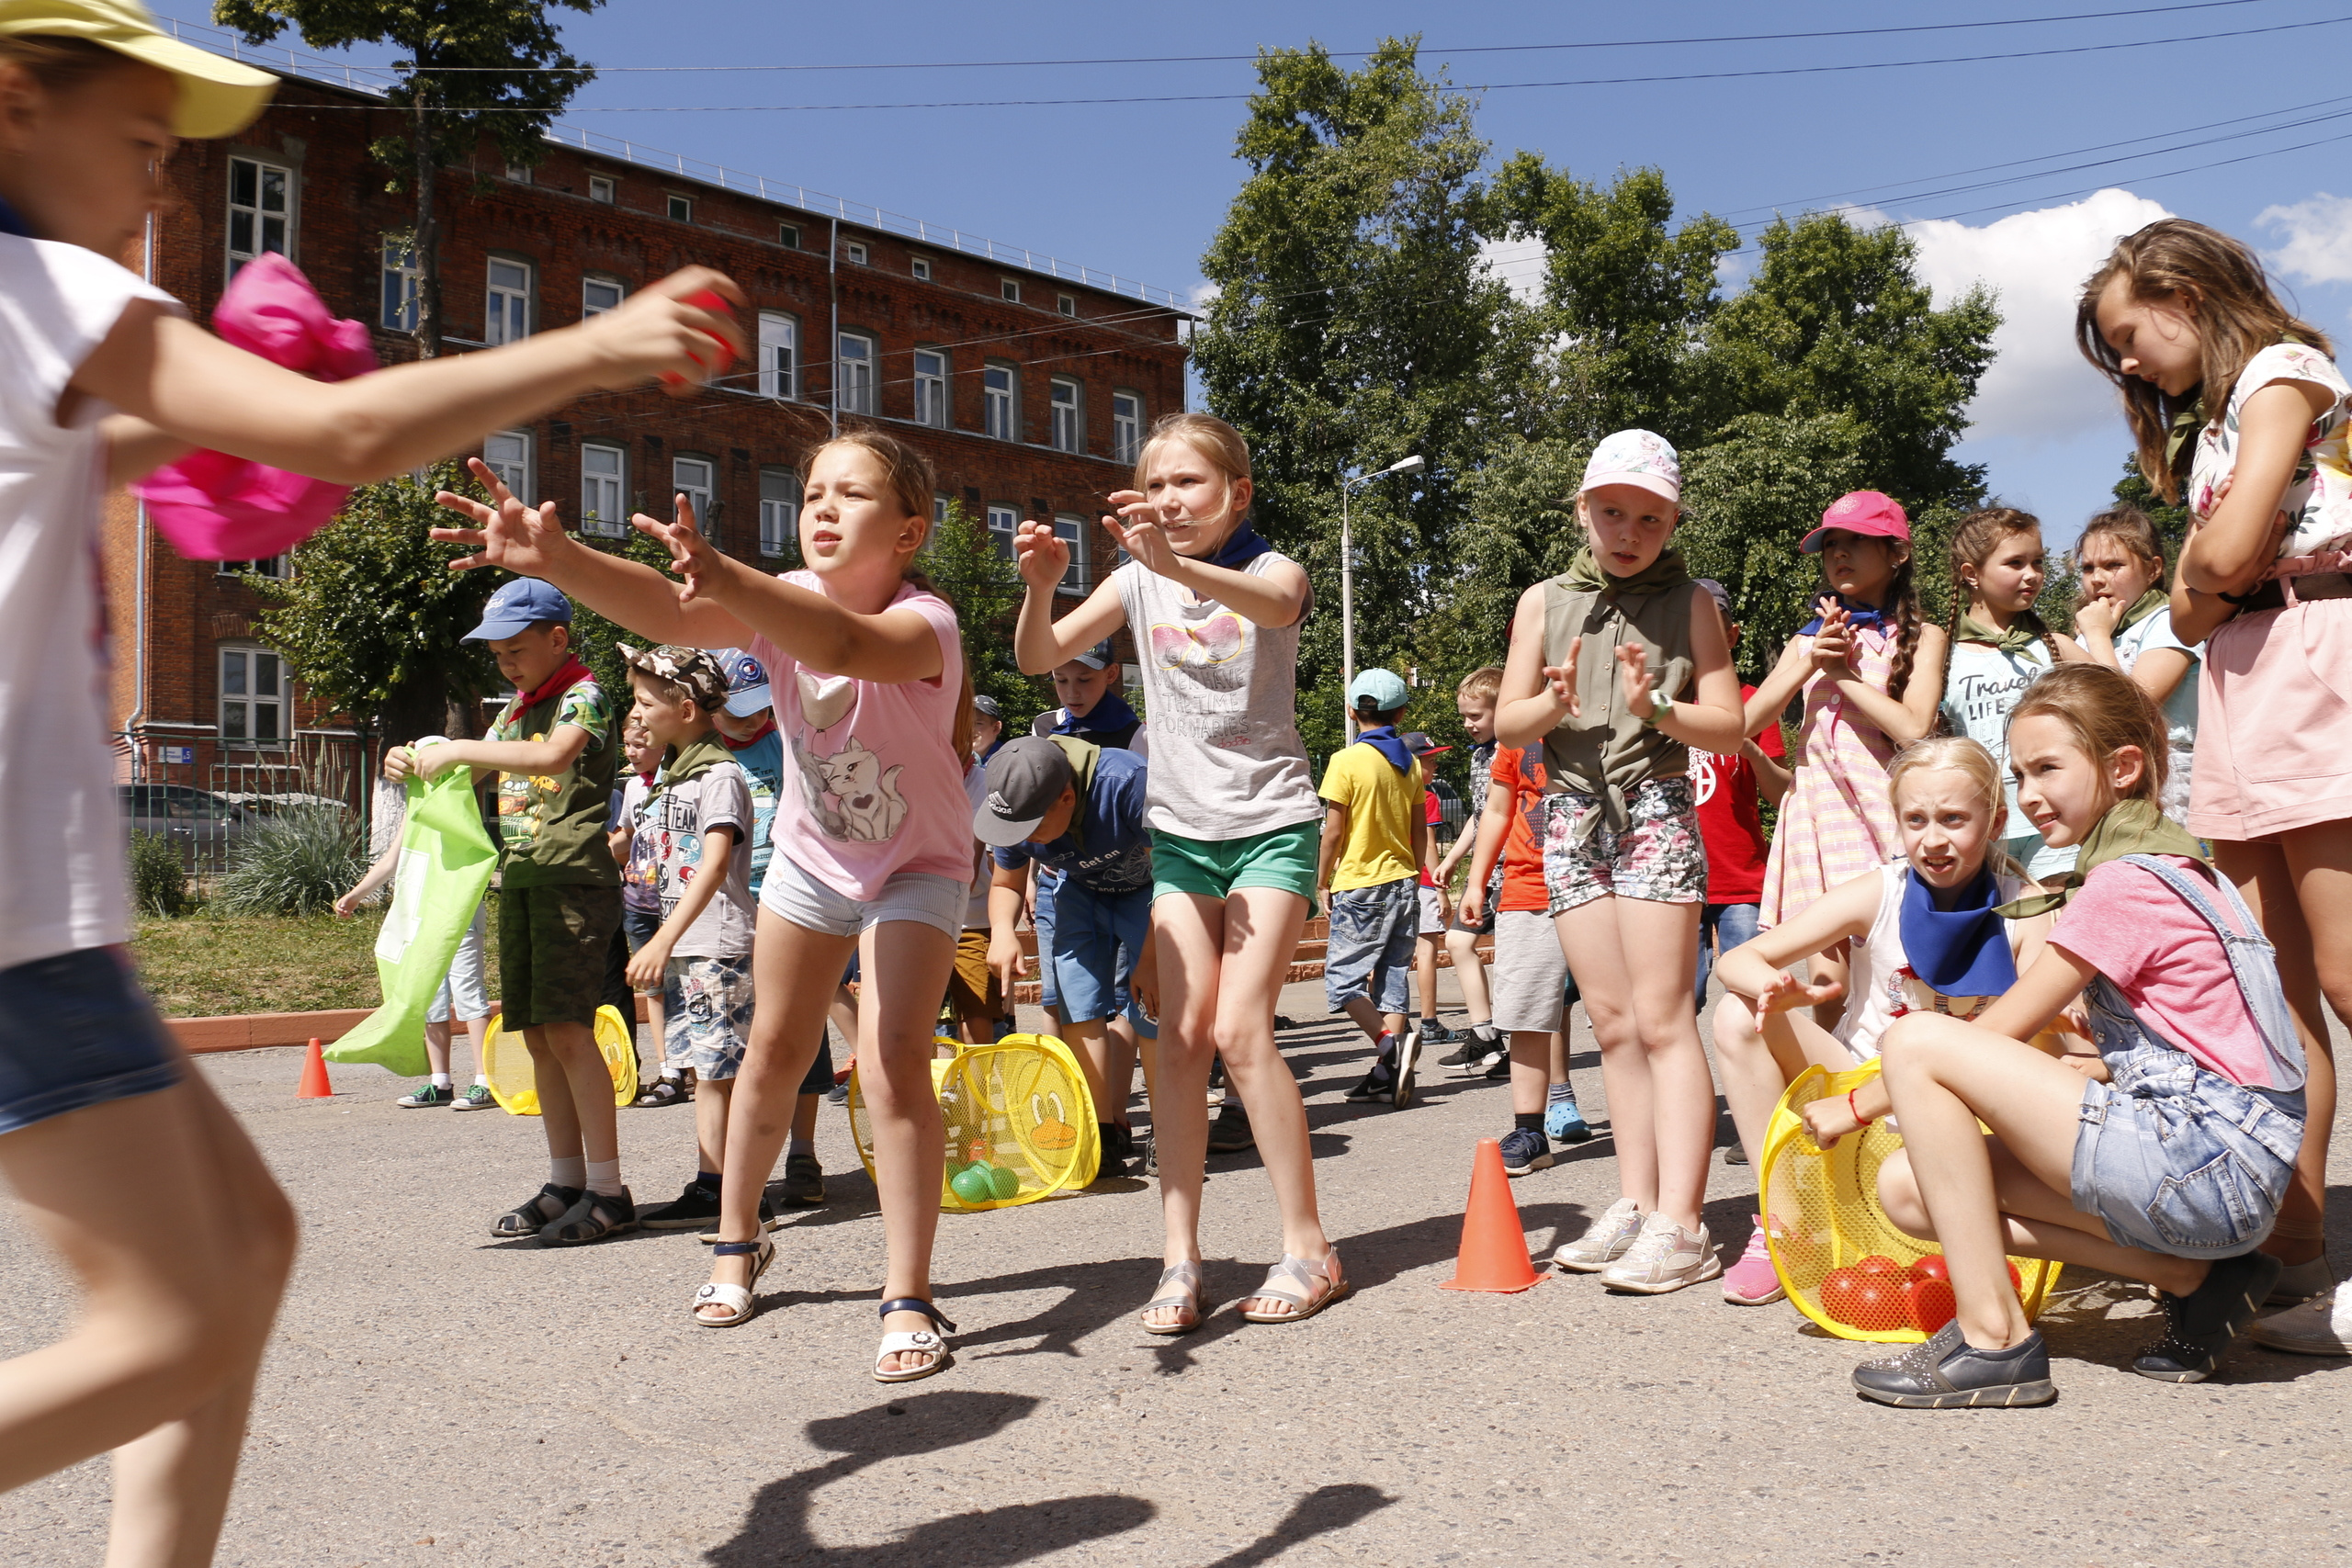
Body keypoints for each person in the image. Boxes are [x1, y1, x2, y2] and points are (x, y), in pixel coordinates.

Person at [0, 4, 741, 1553]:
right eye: (136, 137)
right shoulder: (49, 286)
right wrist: (601, 344)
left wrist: (212, 432)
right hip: (20, 921)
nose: (156, 178)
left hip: (43, 914)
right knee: (174, 1324)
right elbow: (337, 430)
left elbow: (122, 453)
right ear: (13, 99)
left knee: (247, 1253)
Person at [431, 429, 975, 1380]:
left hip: (916, 863)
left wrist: (728, 580)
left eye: (851, 494)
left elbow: (841, 643)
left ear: (909, 532)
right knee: (770, 1048)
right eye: (812, 491)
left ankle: (909, 1293)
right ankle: (739, 1240)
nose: (822, 507)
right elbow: (669, 612)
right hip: (811, 859)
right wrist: (557, 556)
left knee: (888, 1063)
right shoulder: (779, 600)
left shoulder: (927, 623)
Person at [1800, 665, 2306, 1404]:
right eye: (2019, 773)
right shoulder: (2190, 867)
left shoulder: (2123, 882)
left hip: (2206, 1165)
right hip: (2230, 1168)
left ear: (2122, 767)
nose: (2030, 794)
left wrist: (1852, 1107)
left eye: (2047, 768)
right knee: (1908, 1189)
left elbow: (2003, 1025)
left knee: (1917, 1041)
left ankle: (1994, 1340)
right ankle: (2193, 1275)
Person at [2079, 217, 2352, 1352]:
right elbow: (2190, 603)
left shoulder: (2285, 374)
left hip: (2316, 660)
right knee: (2272, 997)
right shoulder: (2212, 436)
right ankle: (2290, 1253)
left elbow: (2226, 565)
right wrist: (2205, 578)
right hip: (2243, 687)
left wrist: (2209, 577)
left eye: (2127, 337)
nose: (2129, 365)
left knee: (2345, 969)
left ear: (2181, 291)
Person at [1012, 411, 1343, 1334]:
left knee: (1240, 1030)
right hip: (1183, 834)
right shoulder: (1133, 580)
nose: (1168, 501)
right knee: (1176, 1036)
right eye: (1154, 486)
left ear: (1236, 492)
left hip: (1271, 823)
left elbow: (1274, 608)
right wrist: (1040, 589)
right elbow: (1037, 656)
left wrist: (1174, 569)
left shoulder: (1273, 568)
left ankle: (1309, 1249)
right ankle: (1180, 1257)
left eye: (1187, 484)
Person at [1494, 429, 1747, 1292]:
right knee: (1609, 1024)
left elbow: (1730, 725)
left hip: (1656, 808)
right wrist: (1547, 703)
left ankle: (1685, 1223)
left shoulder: (1694, 604)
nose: (1628, 529)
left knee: (1664, 1015)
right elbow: (1505, 726)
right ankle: (1637, 1203)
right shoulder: (1541, 600)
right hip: (1568, 814)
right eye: (1612, 511)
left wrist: (1659, 703)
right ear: (1582, 507)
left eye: (1649, 516)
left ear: (1673, 521)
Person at [1711, 738, 2055, 1305]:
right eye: (1915, 819)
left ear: (1995, 821)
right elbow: (1735, 959)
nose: (1932, 839)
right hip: (1855, 1085)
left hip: (1963, 1115)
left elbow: (2038, 1050)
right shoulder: (1881, 891)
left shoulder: (2028, 909)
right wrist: (1768, 984)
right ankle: (1784, 1226)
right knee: (1736, 1013)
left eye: (1953, 818)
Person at [390, 581, 640, 1242]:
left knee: (567, 1031)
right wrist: (412, 760)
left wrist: (462, 747)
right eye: (498, 655)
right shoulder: (516, 710)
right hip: (526, 880)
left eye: (517, 651)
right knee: (535, 1035)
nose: (507, 664)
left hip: (573, 884)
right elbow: (463, 774)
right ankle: (565, 1180)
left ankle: (609, 1189)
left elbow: (550, 757)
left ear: (558, 638)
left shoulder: (584, 695)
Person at [1752, 491, 1945, 1029]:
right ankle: (1834, 1101)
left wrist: (1842, 676)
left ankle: (1907, 1093)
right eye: (1830, 544)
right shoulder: (1807, 639)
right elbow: (1745, 725)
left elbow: (1913, 727)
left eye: (1856, 541)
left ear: (1897, 553)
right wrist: (1810, 658)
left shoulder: (1925, 636)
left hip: (1885, 817)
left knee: (1902, 977)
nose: (1839, 553)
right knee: (1829, 986)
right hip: (1818, 820)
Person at [615, 646, 760, 1236]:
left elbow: (714, 862)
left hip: (715, 943)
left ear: (688, 708)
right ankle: (716, 1182)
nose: (638, 711)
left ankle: (729, 1188)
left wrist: (661, 940)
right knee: (706, 1070)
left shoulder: (718, 776)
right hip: (687, 944)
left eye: (648, 701)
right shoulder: (672, 777)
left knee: (721, 1071)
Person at [977, 736, 1157, 1172]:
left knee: (1156, 1009)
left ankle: (1169, 1129)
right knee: (1079, 1008)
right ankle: (1101, 1133)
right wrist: (1002, 931)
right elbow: (1006, 884)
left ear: (1067, 798)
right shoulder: (1019, 809)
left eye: (1031, 830)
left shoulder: (1127, 783)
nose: (1023, 840)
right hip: (1080, 894)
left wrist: (1151, 957)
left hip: (1152, 896)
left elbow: (1175, 872)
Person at [711, 649, 826, 1208]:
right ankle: (736, 1177)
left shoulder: (783, 742)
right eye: (737, 711)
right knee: (738, 1048)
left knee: (802, 1038)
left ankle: (802, 1153)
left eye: (761, 709)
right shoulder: (705, 756)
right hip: (728, 915)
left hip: (790, 902)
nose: (752, 720)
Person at [1457, 733, 1592, 1175]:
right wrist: (1477, 881)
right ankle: (1531, 1130)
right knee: (1527, 1012)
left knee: (1617, 1012)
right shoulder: (1518, 732)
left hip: (1601, 876)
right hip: (1528, 885)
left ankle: (1649, 1120)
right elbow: (1497, 808)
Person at [334, 752, 496, 1110]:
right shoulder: (416, 807)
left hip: (458, 913)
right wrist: (356, 894)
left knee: (468, 992)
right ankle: (440, 1082)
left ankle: (485, 1081)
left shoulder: (459, 804)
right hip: (421, 916)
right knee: (432, 995)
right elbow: (393, 859)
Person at [1939, 506, 2086, 882]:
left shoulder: (2057, 647)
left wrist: (2098, 634)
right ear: (1971, 574)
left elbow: (2122, 705)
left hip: (2054, 820)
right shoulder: (1941, 657)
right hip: (1980, 823)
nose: (2032, 574)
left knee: (2057, 921)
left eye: (2037, 562)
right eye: (2015, 563)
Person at [1317, 670, 1432, 1107]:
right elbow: (1420, 828)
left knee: (1342, 982)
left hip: (1362, 884)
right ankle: (1389, 1075)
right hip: (1404, 880)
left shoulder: (1346, 762)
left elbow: (1333, 831)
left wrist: (1322, 880)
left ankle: (1390, 1048)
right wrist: (1414, 870)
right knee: (1393, 979)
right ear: (1400, 713)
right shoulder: (1411, 763)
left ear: (1351, 711)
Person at [1685, 580, 1791, 1014]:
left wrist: (1751, 750)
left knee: (1754, 1000)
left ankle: (1759, 1081)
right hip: (1675, 881)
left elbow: (1781, 793)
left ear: (1732, 635)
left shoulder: (1753, 703)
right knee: (1678, 1000)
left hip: (1742, 881)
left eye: (1714, 627)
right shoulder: (1661, 707)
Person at [2070, 506, 2200, 825]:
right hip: (2104, 772)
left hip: (2167, 776)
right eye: (2088, 568)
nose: (2097, 579)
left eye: (2113, 565)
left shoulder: (2169, 623)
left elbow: (2133, 707)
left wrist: (2097, 635)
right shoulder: (2092, 632)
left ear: (2153, 569)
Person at [1432, 667, 1506, 1073]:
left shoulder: (1514, 751)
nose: (1467, 724)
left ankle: (1515, 1039)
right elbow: (1481, 816)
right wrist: (1451, 858)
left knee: (1513, 960)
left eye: (1475, 716)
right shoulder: (1480, 756)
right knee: (1458, 943)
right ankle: (1484, 1035)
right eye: (1464, 715)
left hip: (1513, 871)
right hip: (1486, 873)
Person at [615, 716, 683, 1107]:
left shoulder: (678, 781)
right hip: (638, 901)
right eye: (627, 745)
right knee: (655, 988)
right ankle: (669, 1069)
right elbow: (627, 834)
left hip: (675, 902)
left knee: (682, 984)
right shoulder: (632, 788)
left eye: (640, 744)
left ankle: (694, 1065)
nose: (631, 752)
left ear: (663, 743)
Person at [1407, 733, 1457, 1049]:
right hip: (1422, 881)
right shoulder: (1425, 797)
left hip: (1393, 879)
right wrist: (1440, 889)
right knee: (1427, 953)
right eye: (1429, 760)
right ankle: (1429, 1023)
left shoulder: (1386, 791)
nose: (1435, 765)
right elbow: (1427, 845)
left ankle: (1390, 1022)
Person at [1030, 637, 1146, 752]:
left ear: (1111, 674)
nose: (1072, 694)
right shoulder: (1043, 725)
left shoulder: (1135, 734)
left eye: (1084, 680)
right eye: (1061, 680)